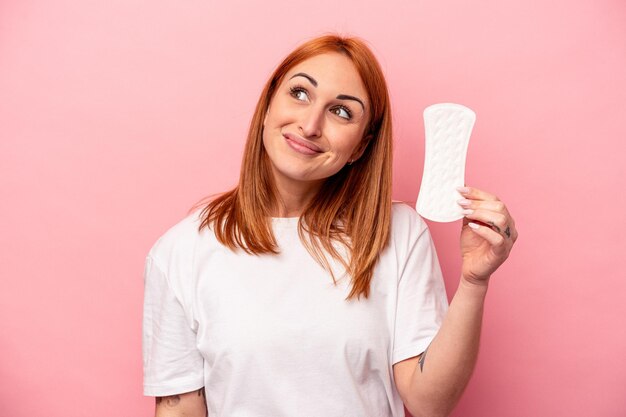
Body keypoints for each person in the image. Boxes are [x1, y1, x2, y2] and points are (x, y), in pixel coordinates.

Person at [142, 34, 517, 417]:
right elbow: (181, 408)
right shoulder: (182, 250)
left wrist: (474, 282)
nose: (310, 125)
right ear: (268, 106)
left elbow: (428, 404)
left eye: (342, 112)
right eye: (300, 93)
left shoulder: (399, 234)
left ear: (361, 145)